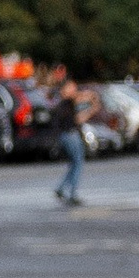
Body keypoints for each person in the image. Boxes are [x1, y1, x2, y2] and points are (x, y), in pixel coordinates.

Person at [55, 73, 93, 208]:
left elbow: (77, 118)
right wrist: (90, 97)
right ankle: (72, 194)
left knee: (74, 164)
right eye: (71, 87)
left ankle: (61, 188)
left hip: (67, 135)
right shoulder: (67, 101)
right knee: (77, 163)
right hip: (71, 135)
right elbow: (82, 98)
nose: (74, 89)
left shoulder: (63, 103)